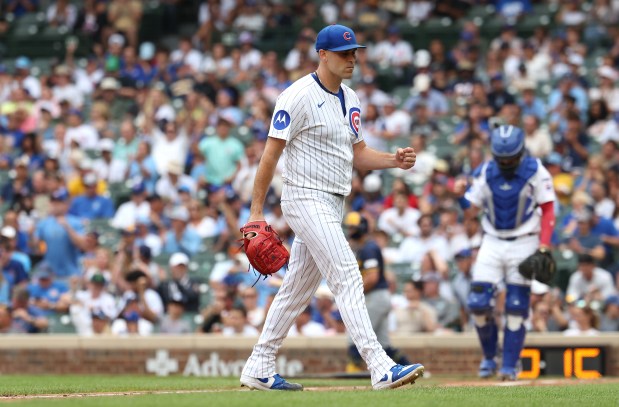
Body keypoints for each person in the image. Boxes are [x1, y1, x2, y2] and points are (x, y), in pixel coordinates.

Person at [240, 24, 424, 392]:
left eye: (354, 52)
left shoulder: (351, 97)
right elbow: (270, 155)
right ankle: (379, 365)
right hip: (305, 196)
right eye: (344, 53)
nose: (352, 58)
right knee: (346, 273)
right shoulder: (296, 96)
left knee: (295, 291)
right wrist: (255, 211)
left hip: (332, 202)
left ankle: (259, 365)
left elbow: (358, 153)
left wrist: (393, 160)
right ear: (322, 54)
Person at [454, 124, 556, 380]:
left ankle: (510, 365)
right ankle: (490, 356)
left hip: (525, 240)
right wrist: (459, 196)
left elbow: (549, 208)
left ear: (521, 152)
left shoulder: (536, 170)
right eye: (503, 158)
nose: (507, 162)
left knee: (517, 305)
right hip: (492, 240)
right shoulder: (486, 171)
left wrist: (544, 245)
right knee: (477, 303)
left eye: (511, 158)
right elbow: (471, 211)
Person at [343, 211, 410, 372]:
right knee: (384, 345)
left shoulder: (369, 248)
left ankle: (353, 374)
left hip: (375, 297)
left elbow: (372, 278)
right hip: (379, 297)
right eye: (349, 228)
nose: (351, 231)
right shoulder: (363, 248)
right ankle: (408, 368)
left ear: (362, 228)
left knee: (355, 340)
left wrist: (354, 293)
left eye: (354, 228)